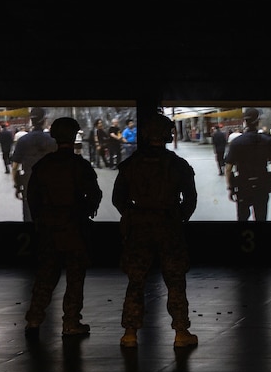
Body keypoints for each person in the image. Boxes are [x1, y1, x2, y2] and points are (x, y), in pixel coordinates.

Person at [113, 113, 198, 348]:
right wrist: (178, 217)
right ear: (166, 135)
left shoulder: (131, 164)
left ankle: (130, 333)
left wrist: (132, 215)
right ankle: (181, 333)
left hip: (139, 228)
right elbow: (190, 199)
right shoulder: (178, 165)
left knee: (136, 280)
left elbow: (118, 198)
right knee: (175, 280)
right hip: (169, 227)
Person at [22, 117, 103, 337]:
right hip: (74, 228)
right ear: (74, 135)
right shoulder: (80, 165)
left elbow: (33, 196)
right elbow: (95, 194)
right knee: (75, 278)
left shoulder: (44, 165)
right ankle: (71, 323)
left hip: (48, 228)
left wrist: (40, 218)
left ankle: (34, 320)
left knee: (46, 275)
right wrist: (84, 210)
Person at [225, 108, 271, 221]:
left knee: (242, 217)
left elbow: (228, 168)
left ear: (245, 122)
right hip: (261, 185)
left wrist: (230, 188)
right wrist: (269, 175)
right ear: (258, 121)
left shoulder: (236, 142)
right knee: (261, 217)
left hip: (243, 185)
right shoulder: (266, 140)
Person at [11, 108, 59, 222]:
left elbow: (14, 167)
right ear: (45, 120)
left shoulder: (23, 140)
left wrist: (17, 186)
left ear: (31, 121)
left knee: (29, 217)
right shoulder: (53, 141)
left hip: (29, 184)